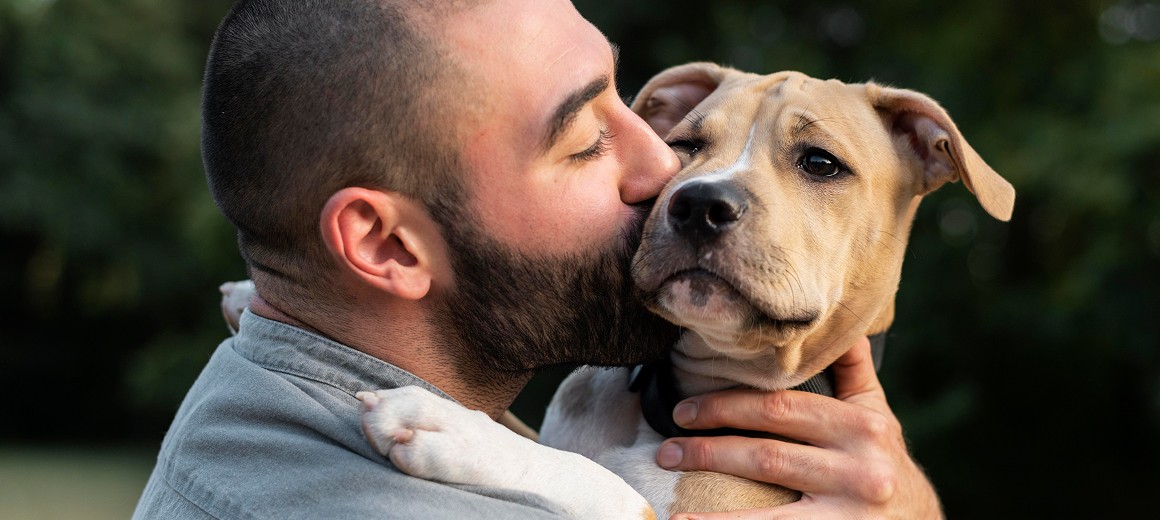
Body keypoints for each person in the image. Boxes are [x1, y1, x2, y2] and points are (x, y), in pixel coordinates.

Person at [134, 0, 943, 518]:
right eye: (587, 141)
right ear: (384, 245)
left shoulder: (253, 390)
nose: (669, 175)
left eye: (637, 114)